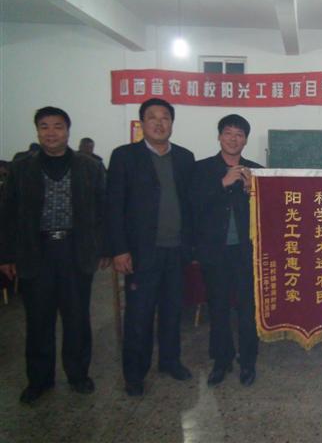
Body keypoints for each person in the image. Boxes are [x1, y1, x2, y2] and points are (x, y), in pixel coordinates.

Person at [0, 106, 108, 404]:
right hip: (36, 251)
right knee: (38, 320)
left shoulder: (89, 166)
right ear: (37, 131)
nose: (51, 132)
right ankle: (39, 380)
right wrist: (6, 255)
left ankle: (78, 375)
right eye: (44, 126)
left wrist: (103, 248)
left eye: (58, 126)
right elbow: (8, 214)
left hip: (75, 250)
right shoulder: (21, 168)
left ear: (67, 131)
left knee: (77, 318)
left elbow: (102, 210)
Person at [107, 98, 195, 396]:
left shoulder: (184, 157)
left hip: (176, 250)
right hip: (142, 253)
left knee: (172, 311)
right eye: (152, 117)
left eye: (165, 117)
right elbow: (114, 206)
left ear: (172, 123)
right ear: (142, 123)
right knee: (139, 316)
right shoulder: (124, 156)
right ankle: (134, 374)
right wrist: (119, 249)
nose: (159, 123)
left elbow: (190, 204)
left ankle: (170, 361)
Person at [191, 114, 263, 387]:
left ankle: (248, 362)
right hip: (214, 252)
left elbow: (269, 212)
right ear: (220, 137)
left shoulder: (256, 171)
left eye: (239, 134)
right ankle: (221, 361)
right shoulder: (201, 169)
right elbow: (193, 204)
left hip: (246, 253)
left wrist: (252, 191)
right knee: (218, 309)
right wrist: (222, 183)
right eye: (228, 133)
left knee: (248, 310)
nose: (233, 139)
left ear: (245, 140)